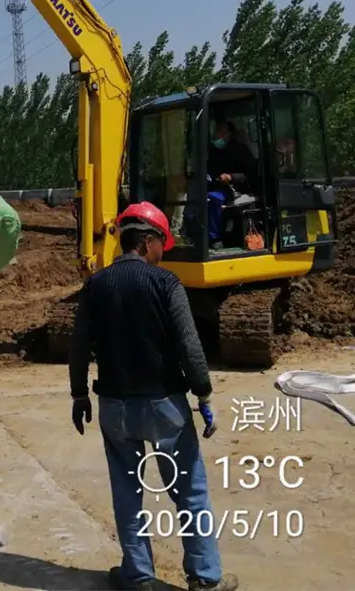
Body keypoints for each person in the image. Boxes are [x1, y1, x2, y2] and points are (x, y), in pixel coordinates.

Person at [68, 201, 238, 591]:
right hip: (164, 406)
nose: (165, 251)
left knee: (127, 491)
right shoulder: (166, 283)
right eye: (163, 243)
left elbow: (79, 347)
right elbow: (188, 344)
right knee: (189, 491)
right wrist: (205, 395)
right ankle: (205, 578)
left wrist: (80, 395)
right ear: (146, 243)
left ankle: (138, 575)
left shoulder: (95, 285)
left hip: (113, 407)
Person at [207, 119, 256, 197]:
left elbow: (250, 176)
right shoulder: (212, 151)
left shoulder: (241, 150)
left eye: (219, 130)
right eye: (215, 130)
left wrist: (231, 177)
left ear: (228, 134)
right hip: (213, 190)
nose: (215, 133)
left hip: (237, 194)